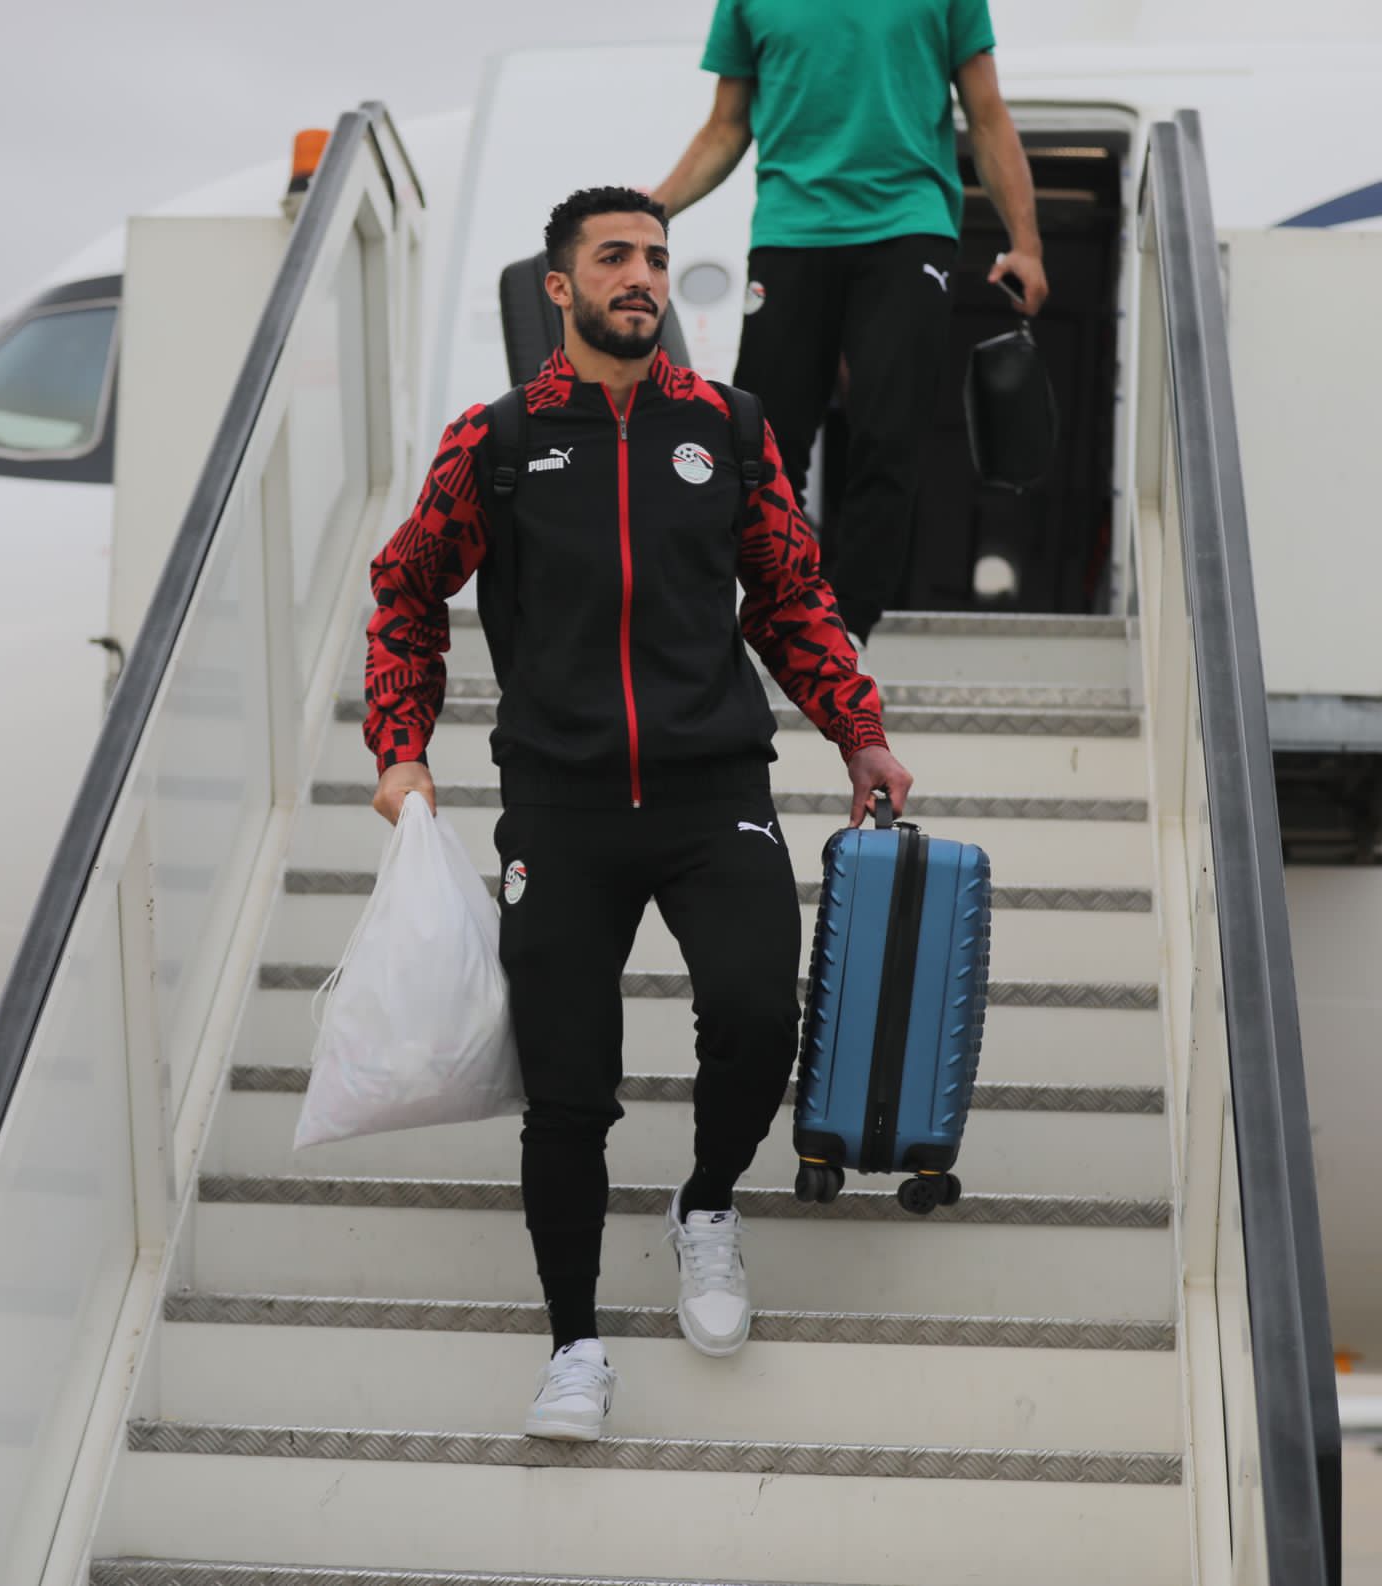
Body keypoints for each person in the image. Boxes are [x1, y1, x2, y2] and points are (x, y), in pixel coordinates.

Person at [363, 186, 913, 1441]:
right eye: (614, 258)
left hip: (713, 791)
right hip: (558, 808)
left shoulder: (727, 426)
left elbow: (789, 595)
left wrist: (859, 730)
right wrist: (400, 749)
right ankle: (574, 1345)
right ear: (559, 287)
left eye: (657, 259)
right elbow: (405, 591)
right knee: (567, 1090)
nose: (642, 278)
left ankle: (706, 1201)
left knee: (758, 1015)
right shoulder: (497, 440)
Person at [651, 0, 1049, 645]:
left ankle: (848, 624)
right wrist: (651, 209)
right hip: (791, 232)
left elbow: (987, 116)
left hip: (907, 228)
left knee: (888, 433)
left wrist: (1025, 244)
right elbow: (727, 126)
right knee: (762, 442)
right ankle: (778, 611)